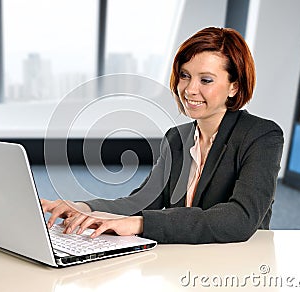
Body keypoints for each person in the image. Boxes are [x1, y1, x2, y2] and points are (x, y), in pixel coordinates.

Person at [41, 27, 284, 244]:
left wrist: (141, 224)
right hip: (182, 260)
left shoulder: (261, 136)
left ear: (235, 87)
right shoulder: (177, 138)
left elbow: (240, 218)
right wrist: (83, 208)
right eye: (185, 75)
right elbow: (141, 203)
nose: (189, 89)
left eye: (206, 80)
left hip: (235, 264)